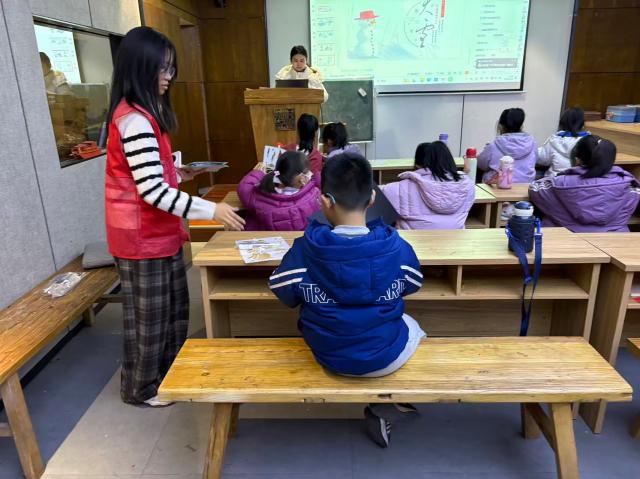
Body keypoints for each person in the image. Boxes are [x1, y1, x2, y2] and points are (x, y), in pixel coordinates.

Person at [104, 27, 245, 407]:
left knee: (170, 309)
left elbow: (147, 176)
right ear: (140, 66)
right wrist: (211, 209)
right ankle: (142, 388)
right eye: (162, 68)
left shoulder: (143, 114)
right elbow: (151, 191)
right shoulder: (134, 120)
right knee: (149, 319)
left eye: (171, 68)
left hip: (155, 233)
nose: (168, 76)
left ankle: (166, 374)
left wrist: (177, 173)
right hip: (140, 238)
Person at [268, 152, 425, 447]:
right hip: (386, 357)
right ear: (372, 198)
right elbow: (413, 285)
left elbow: (282, 291)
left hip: (329, 354)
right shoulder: (396, 247)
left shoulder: (305, 249)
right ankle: (385, 402)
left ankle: (382, 404)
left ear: (325, 201)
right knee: (410, 323)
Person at [529, 135, 640, 232]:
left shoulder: (560, 184)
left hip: (566, 242)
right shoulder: (629, 185)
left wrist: (562, 175)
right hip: (615, 243)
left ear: (577, 160)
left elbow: (535, 188)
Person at [381, 141, 475, 230]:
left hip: (412, 240)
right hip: (455, 239)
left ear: (418, 164)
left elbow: (378, 196)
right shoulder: (468, 185)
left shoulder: (398, 188)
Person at [237, 151, 321, 230]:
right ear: (302, 178)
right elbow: (319, 182)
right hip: (301, 238)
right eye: (307, 172)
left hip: (266, 238)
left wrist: (257, 173)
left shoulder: (257, 197)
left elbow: (243, 188)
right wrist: (317, 175)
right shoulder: (314, 194)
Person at [477, 107, 537, 184]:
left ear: (501, 126)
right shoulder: (532, 144)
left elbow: (480, 165)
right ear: (521, 126)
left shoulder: (493, 145)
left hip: (498, 187)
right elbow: (535, 161)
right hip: (527, 186)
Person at [537, 107, 590, 177]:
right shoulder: (590, 141)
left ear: (563, 122)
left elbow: (543, 160)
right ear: (582, 124)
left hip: (556, 179)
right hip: (580, 180)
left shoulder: (555, 139)